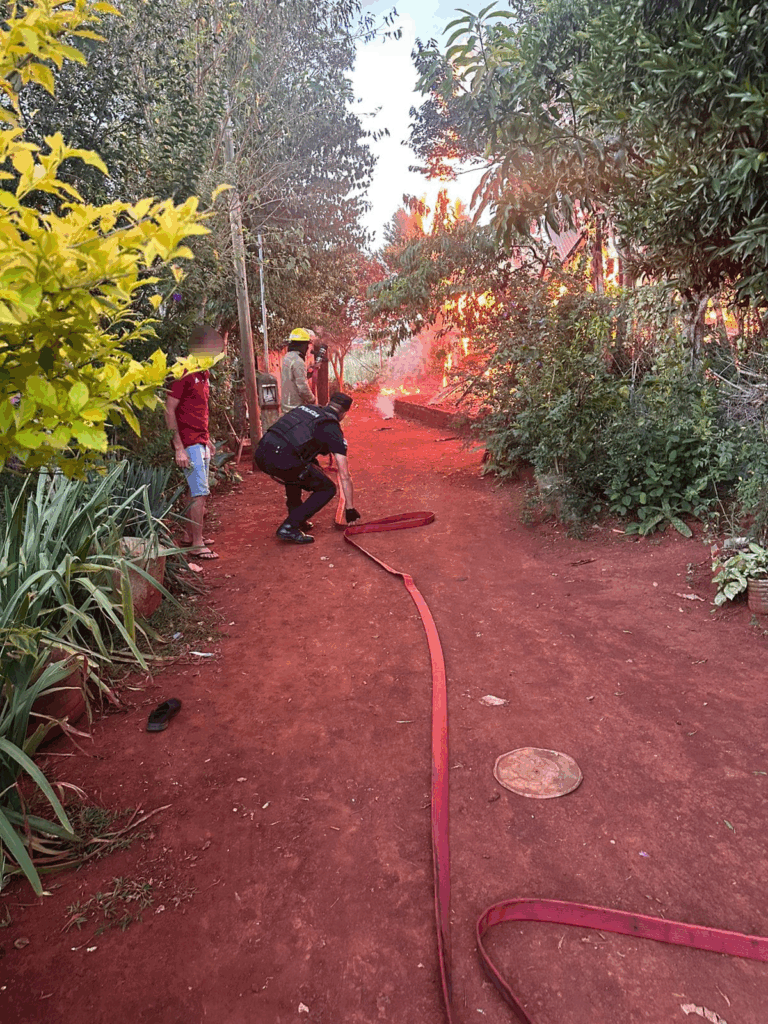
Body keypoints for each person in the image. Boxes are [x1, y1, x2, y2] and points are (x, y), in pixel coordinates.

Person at [253, 392, 361, 545]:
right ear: (343, 413)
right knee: (327, 488)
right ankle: (289, 527)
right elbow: (344, 474)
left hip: (261, 452)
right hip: (281, 459)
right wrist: (350, 509)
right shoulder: (331, 428)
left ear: (329, 404)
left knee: (300, 468)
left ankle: (296, 517)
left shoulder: (307, 409)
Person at [164, 324, 225, 560]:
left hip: (199, 440)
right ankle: (197, 544)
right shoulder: (184, 372)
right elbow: (169, 409)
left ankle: (191, 536)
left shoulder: (203, 374)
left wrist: (206, 439)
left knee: (194, 490)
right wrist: (179, 447)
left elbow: (198, 410)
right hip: (189, 442)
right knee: (200, 492)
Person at [280, 327, 316, 413]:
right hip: (295, 408)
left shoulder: (287, 357)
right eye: (307, 345)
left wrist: (306, 374)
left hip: (286, 405)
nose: (307, 348)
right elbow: (302, 387)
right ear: (302, 345)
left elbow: (292, 378)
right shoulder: (298, 361)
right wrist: (312, 399)